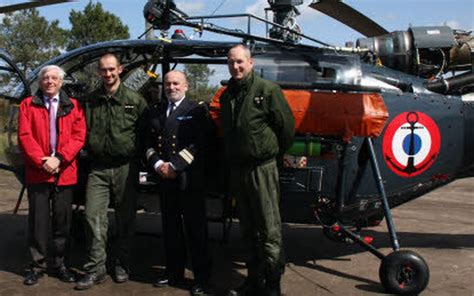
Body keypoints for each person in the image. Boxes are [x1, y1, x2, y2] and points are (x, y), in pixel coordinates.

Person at [221, 44, 295, 296]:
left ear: (250, 63)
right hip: (238, 170)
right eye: (231, 62)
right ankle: (253, 280)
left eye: (240, 61)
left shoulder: (267, 90)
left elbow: (286, 128)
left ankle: (273, 284)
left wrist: (274, 154)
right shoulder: (227, 94)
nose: (236, 66)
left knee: (269, 229)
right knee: (248, 228)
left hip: (262, 168)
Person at [75, 53, 148, 290]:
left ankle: (122, 264)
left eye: (111, 69)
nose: (107, 74)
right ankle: (95, 268)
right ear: (99, 72)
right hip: (98, 167)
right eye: (103, 70)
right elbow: (81, 129)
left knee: (126, 219)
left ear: (121, 69)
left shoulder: (135, 101)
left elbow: (145, 133)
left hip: (126, 166)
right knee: (92, 216)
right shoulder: (91, 100)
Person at [144, 70, 212, 296]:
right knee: (170, 229)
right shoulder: (155, 110)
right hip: (165, 179)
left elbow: (199, 144)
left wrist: (174, 166)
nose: (171, 87)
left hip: (188, 179)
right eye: (168, 84)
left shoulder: (196, 110)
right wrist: (157, 165)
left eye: (176, 83)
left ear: (186, 86)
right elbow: (147, 141)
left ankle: (202, 279)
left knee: (196, 230)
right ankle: (174, 273)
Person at [18, 65, 86, 285]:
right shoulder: (27, 105)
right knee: (37, 222)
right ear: (40, 81)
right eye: (45, 77)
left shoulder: (73, 106)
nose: (49, 81)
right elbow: (25, 136)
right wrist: (42, 161)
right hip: (38, 173)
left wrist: (60, 159)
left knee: (62, 222)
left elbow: (79, 136)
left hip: (64, 171)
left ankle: (59, 264)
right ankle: (37, 265)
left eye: (54, 78)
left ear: (61, 82)